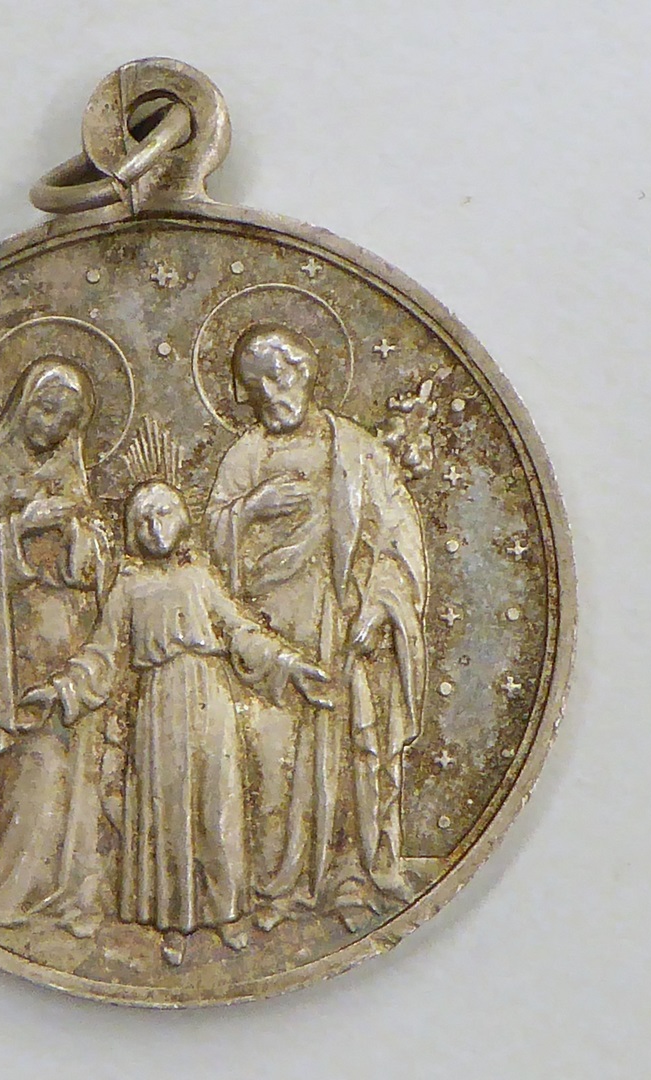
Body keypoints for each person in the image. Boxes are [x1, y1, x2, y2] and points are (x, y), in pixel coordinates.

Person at [22, 479, 331, 966]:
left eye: (163, 514)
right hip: (157, 705)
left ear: (181, 518)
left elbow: (239, 630)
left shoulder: (199, 576)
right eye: (143, 519)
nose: (154, 528)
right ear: (133, 529)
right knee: (164, 813)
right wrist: (62, 689)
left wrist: (288, 664)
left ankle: (226, 913)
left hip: (210, 698)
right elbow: (102, 653)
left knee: (218, 807)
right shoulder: (128, 585)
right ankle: (171, 922)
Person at [206, 323, 427, 917]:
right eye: (255, 384)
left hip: (340, 623)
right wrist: (250, 509)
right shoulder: (246, 454)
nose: (268, 393)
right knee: (272, 761)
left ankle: (349, 874)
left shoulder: (355, 449)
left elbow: (397, 536)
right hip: (269, 634)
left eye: (277, 376)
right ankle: (275, 885)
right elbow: (210, 544)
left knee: (351, 747)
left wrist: (379, 606)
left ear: (304, 372)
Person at [0, 357, 110, 937]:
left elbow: (94, 562)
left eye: (67, 420)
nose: (53, 427)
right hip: (4, 658)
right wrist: (23, 526)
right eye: (46, 409)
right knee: (24, 767)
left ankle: (60, 890)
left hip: (65, 650)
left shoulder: (68, 474)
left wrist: (81, 534)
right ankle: (2, 888)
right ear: (22, 404)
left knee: (63, 765)